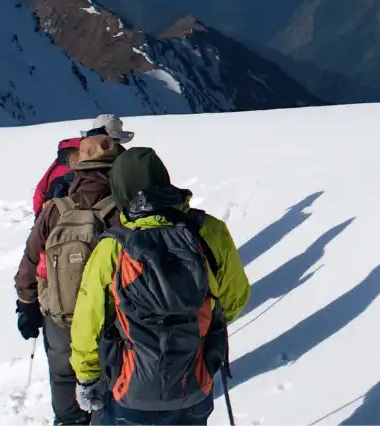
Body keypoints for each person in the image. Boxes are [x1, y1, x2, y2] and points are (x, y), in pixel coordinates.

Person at [69, 147, 250, 425]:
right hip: (194, 382)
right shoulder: (209, 231)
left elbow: (88, 321)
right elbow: (235, 298)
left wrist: (87, 375)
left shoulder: (113, 247)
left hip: (130, 389)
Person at [15, 134, 125, 425]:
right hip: (109, 318)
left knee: (63, 374)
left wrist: (26, 304)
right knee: (107, 377)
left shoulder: (55, 209)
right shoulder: (123, 211)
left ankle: (68, 420)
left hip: (59, 313)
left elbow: (29, 260)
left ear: (78, 171)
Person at [31, 115, 134, 217]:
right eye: (115, 141)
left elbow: (41, 190)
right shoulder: (95, 163)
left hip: (52, 219)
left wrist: (41, 222)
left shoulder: (67, 154)